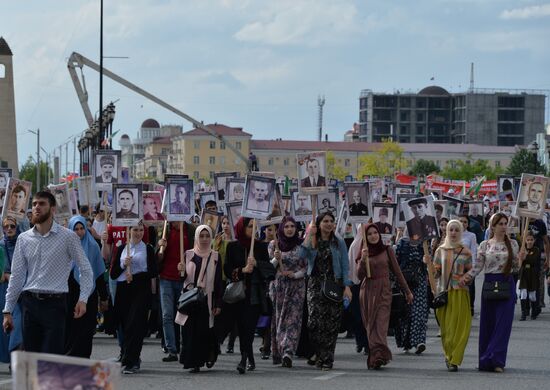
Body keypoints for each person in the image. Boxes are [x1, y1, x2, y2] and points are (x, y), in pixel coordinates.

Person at [2, 191, 94, 354]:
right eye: (34, 204)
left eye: (42, 204)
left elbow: (85, 269)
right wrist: (8, 310)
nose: (37, 207)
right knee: (32, 359)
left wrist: (83, 299)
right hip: (29, 304)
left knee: (51, 359)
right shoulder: (23, 239)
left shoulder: (68, 237)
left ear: (53, 209)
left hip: (55, 305)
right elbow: (17, 276)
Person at [349, 224, 413, 369]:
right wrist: (363, 261)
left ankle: (378, 355)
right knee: (370, 325)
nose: (373, 236)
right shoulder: (363, 252)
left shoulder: (387, 249)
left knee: (381, 324)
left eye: (375, 233)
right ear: (365, 237)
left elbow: (397, 272)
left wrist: (407, 291)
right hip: (367, 291)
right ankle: (377, 355)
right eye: (369, 234)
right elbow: (359, 276)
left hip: (384, 291)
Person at [462, 212, 519, 373]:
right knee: (488, 323)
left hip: (506, 284)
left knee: (503, 325)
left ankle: (497, 360)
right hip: (489, 284)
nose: (503, 226)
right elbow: (478, 266)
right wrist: (466, 278)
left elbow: (516, 268)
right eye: (500, 223)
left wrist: (519, 259)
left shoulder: (513, 244)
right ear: (493, 226)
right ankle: (485, 360)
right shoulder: (485, 245)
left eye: (505, 223)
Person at [302, 212, 352, 370]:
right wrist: (309, 235)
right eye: (325, 221)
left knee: (331, 325)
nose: (329, 224)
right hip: (315, 285)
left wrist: (347, 286)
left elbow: (345, 265)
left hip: (334, 284)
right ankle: (319, 353)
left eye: (331, 221)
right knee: (313, 323)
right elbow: (301, 255)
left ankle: (327, 359)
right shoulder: (313, 240)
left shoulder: (339, 242)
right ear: (319, 223)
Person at [224, 217, 274, 374]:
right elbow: (227, 270)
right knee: (241, 327)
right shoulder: (232, 247)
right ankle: (249, 357)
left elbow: (270, 271)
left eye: (254, 226)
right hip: (238, 294)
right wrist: (242, 270)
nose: (253, 229)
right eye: (249, 226)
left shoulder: (259, 246)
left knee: (249, 327)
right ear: (242, 228)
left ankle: (243, 359)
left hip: (254, 294)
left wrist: (257, 264)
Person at [110, 220, 158, 374]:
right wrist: (124, 264)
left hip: (141, 290)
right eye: (135, 230)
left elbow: (153, 271)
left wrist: (136, 276)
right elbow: (113, 273)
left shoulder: (148, 249)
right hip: (124, 290)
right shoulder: (122, 248)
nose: (138, 233)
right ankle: (128, 355)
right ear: (129, 231)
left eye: (141, 230)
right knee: (124, 325)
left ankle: (131, 361)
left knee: (135, 325)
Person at [426, 220, 473, 372]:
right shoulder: (440, 250)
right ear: (446, 231)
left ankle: (455, 359)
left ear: (460, 232)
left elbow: (471, 272)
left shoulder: (466, 252)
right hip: (444, 294)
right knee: (447, 329)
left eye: (456, 230)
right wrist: (429, 265)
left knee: (461, 329)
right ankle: (448, 356)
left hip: (460, 293)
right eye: (450, 230)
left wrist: (464, 279)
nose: (453, 233)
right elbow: (436, 273)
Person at [176, 225, 222, 373]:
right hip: (190, 299)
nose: (204, 239)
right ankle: (192, 362)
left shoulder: (215, 256)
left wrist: (217, 303)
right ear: (196, 237)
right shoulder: (188, 254)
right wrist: (180, 270)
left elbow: (218, 282)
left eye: (207, 236)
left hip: (206, 299)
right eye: (201, 236)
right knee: (189, 331)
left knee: (203, 331)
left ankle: (205, 357)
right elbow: (182, 279)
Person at [65, 215, 109, 358]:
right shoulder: (64, 247)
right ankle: (70, 358)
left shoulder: (93, 246)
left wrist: (104, 297)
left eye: (82, 228)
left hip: (88, 295)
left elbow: (99, 274)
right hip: (69, 295)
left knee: (86, 329)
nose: (79, 232)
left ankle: (83, 358)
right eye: (75, 229)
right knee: (70, 328)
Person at [268, 217, 307, 368]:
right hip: (279, 286)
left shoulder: (301, 246)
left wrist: (295, 274)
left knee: (293, 320)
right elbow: (270, 268)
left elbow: (306, 267)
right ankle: (279, 348)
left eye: (292, 226)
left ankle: (288, 352)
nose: (289, 229)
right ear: (281, 229)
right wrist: (276, 260)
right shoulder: (274, 245)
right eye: (286, 227)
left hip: (296, 287)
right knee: (280, 319)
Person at [156, 221, 195, 362]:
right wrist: (161, 248)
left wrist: (186, 266)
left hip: (184, 279)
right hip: (166, 279)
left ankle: (184, 347)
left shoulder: (190, 230)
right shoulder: (165, 229)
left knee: (183, 315)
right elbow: (157, 257)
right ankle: (172, 350)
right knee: (167, 315)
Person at [394, 231, 428, 355]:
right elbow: (396, 262)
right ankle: (405, 341)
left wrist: (427, 260)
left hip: (420, 280)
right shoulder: (402, 243)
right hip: (404, 281)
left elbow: (429, 262)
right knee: (404, 312)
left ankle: (419, 341)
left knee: (419, 311)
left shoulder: (424, 242)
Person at [0, 217, 23, 364]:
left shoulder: (24, 243)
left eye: (12, 226)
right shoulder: (1, 245)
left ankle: (18, 356)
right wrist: (6, 275)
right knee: (6, 325)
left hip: (22, 289)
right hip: (4, 290)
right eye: (6, 226)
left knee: (19, 323)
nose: (9, 229)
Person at [458, 215, 478, 316]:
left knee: (470, 287)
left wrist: (473, 268)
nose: (463, 223)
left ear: (468, 224)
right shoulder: (453, 233)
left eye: (465, 222)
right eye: (460, 221)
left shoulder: (471, 235)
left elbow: (474, 251)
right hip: (456, 267)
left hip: (468, 265)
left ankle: (470, 307)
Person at [518, 232, 540, 320]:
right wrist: (520, 257)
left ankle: (534, 310)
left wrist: (526, 256)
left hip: (532, 274)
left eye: (531, 240)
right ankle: (523, 313)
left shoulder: (536, 250)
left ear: (534, 241)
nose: (529, 242)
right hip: (523, 273)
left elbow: (533, 261)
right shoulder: (522, 249)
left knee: (532, 295)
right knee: (523, 293)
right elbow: (520, 262)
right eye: (528, 240)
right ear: (525, 241)